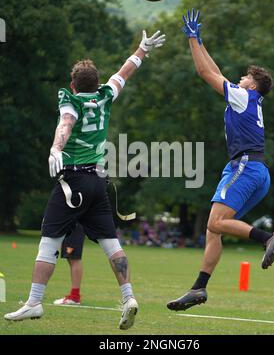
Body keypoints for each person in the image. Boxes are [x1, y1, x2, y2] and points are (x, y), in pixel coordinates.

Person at [4, 29, 166, 330]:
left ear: (72, 84)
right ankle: (128, 296)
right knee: (110, 242)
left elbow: (66, 123)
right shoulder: (106, 95)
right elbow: (124, 73)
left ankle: (34, 302)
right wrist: (142, 49)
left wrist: (56, 147)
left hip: (73, 182)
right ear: (96, 82)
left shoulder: (72, 101)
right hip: (98, 182)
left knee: (49, 240)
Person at [167, 9, 274, 312]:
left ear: (253, 85)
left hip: (244, 168)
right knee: (214, 229)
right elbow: (216, 70)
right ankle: (198, 289)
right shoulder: (249, 99)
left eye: (245, 77)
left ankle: (267, 237)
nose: (240, 78)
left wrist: (192, 40)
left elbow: (206, 74)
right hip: (256, 171)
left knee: (216, 221)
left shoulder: (243, 96)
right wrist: (201, 42)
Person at [53, 223, 85, 305]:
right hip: (70, 224)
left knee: (74, 258)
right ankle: (74, 296)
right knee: (71, 258)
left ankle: (74, 297)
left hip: (74, 224)